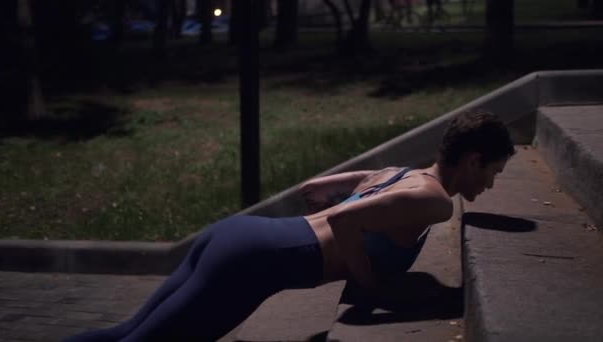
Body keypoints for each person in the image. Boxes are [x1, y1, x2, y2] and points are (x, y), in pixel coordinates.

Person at [64, 111, 515, 341]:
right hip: (255, 261)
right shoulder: (436, 202)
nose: (491, 183)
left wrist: (326, 186)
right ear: (473, 159)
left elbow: (335, 187)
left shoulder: (402, 173)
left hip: (235, 236)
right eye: (492, 171)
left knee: (127, 333)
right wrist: (370, 284)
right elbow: (343, 218)